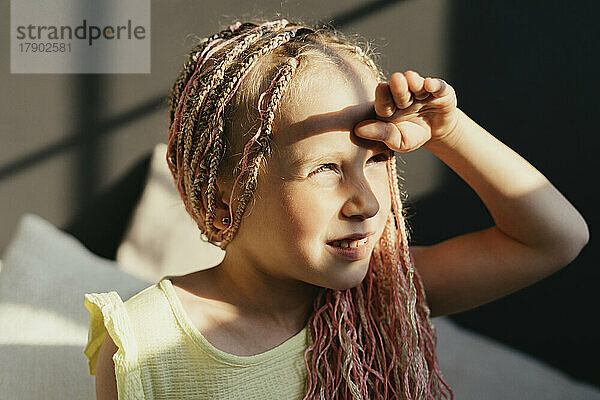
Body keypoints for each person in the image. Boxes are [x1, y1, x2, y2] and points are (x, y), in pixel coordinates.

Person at [83, 18, 589, 400]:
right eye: (325, 169)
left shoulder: (386, 299)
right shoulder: (145, 344)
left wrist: (448, 132)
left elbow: (555, 239)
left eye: (376, 160)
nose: (367, 202)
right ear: (223, 199)